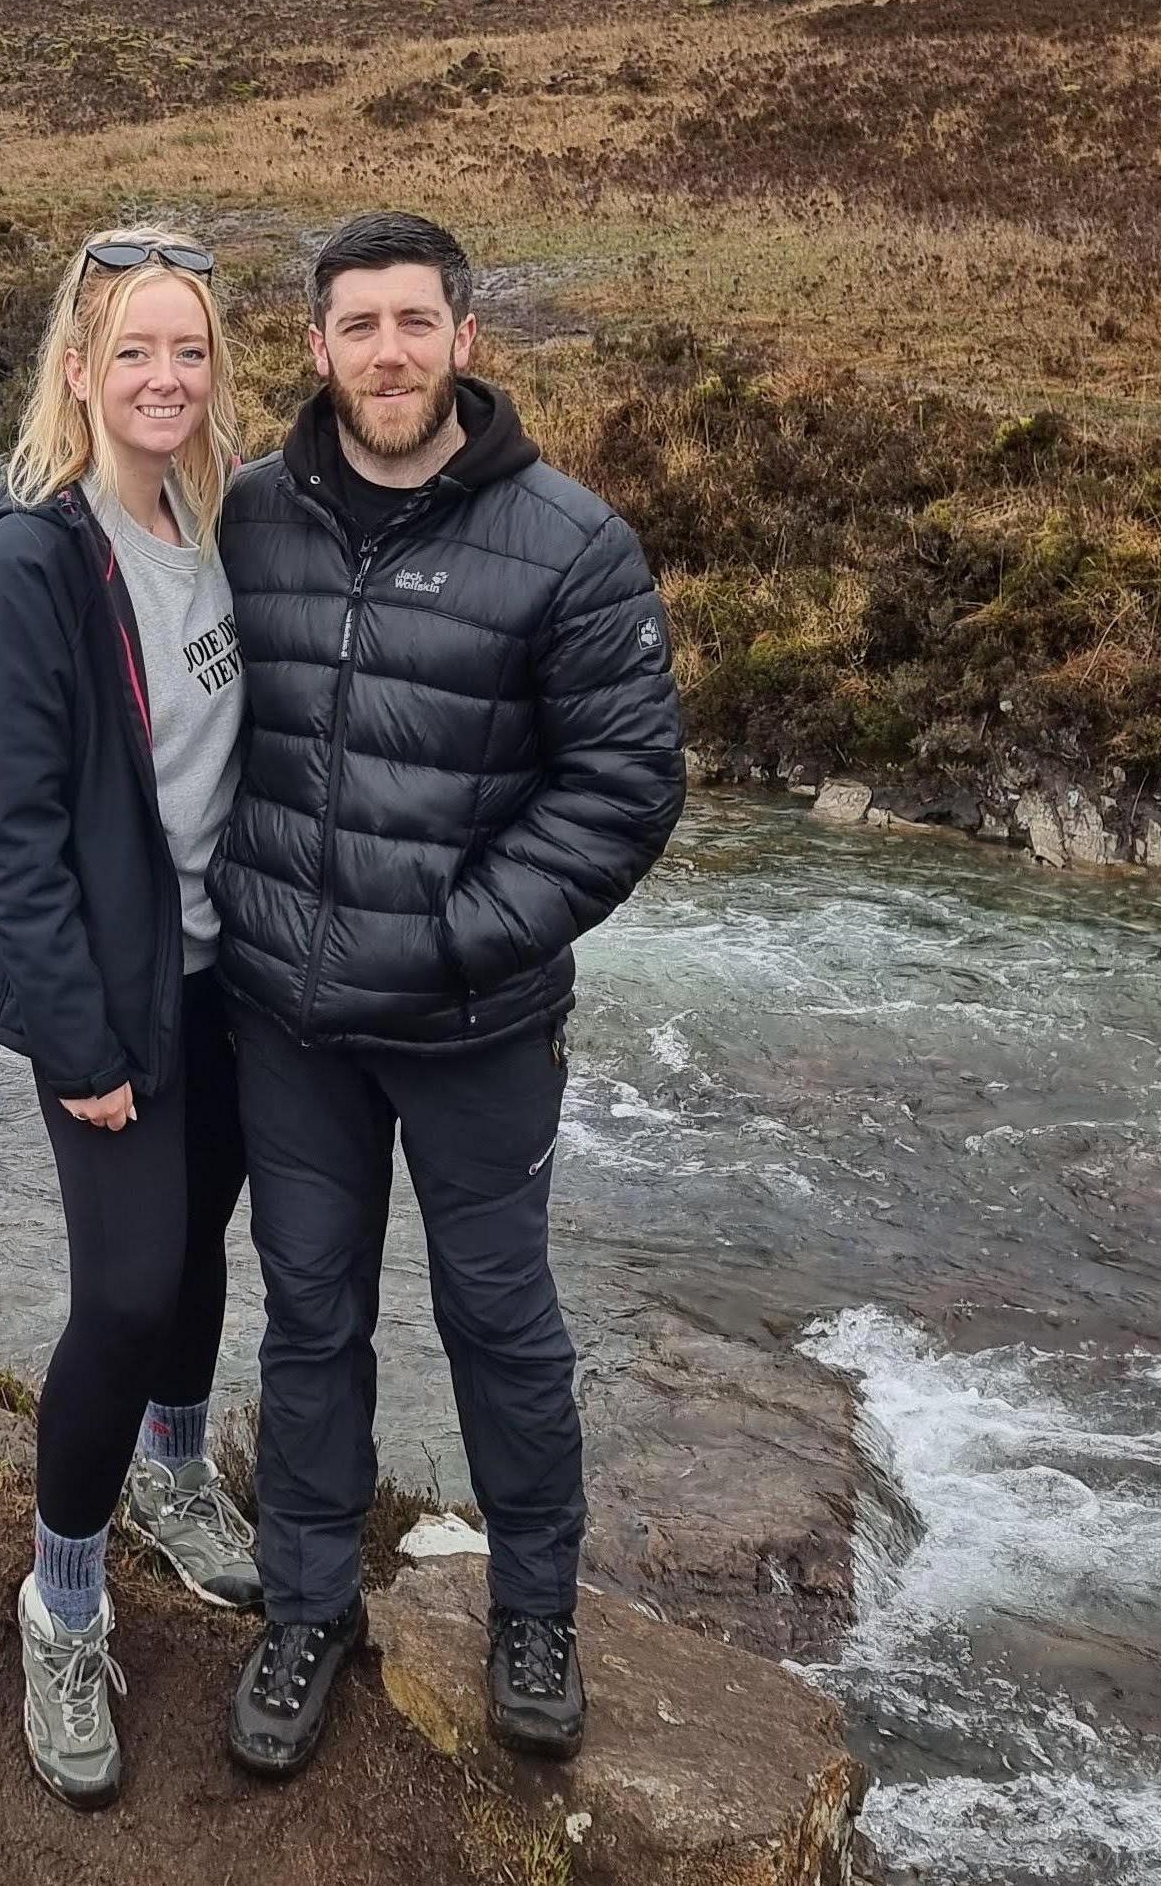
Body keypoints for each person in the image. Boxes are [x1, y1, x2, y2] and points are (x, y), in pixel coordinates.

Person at [209, 209, 686, 1778]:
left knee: (499, 1319)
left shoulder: (571, 541)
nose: (389, 351)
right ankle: (304, 1610)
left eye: (416, 321)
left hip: (476, 1023)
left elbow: (623, 786)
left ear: (465, 340)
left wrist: (464, 931)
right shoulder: (252, 517)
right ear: (318, 344)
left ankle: (533, 1611)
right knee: (308, 1314)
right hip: (291, 1019)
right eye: (361, 324)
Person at [0, 225, 263, 1809]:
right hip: (117, 1003)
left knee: (200, 1244)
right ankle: (60, 1600)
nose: (162, 376)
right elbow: (16, 833)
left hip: (224, 977)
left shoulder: (206, 524)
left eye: (186, 351)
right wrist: (75, 1043)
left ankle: (173, 1467)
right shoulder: (33, 563)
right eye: (131, 350)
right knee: (129, 1286)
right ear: (77, 372)